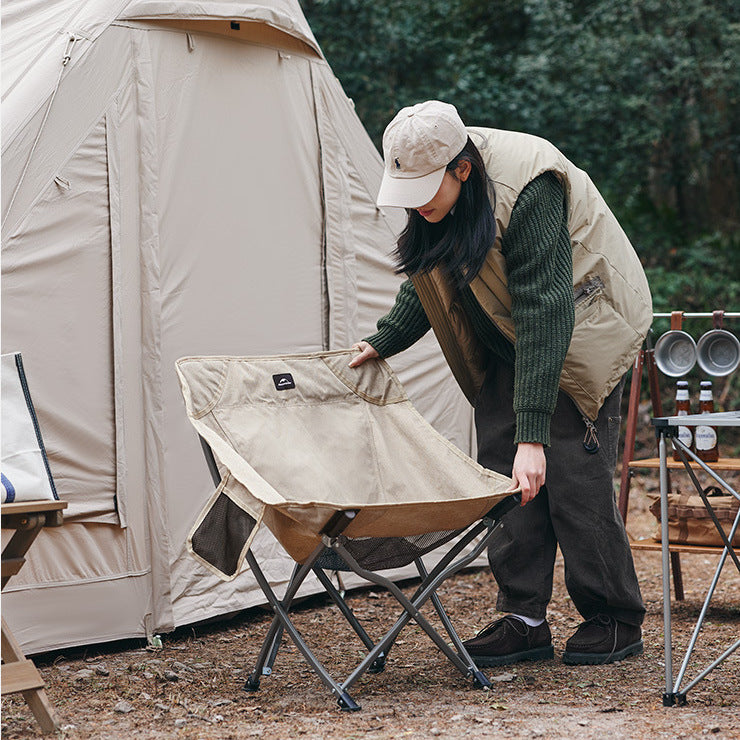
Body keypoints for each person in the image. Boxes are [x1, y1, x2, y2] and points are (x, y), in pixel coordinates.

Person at [349, 100, 652, 666]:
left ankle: (615, 618)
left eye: (423, 194)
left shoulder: (529, 185)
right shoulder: (435, 190)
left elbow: (545, 309)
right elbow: (428, 273)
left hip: (583, 323)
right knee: (502, 473)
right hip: (509, 333)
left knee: (572, 475)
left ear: (461, 169)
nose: (416, 207)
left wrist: (533, 436)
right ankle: (523, 619)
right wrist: (384, 339)